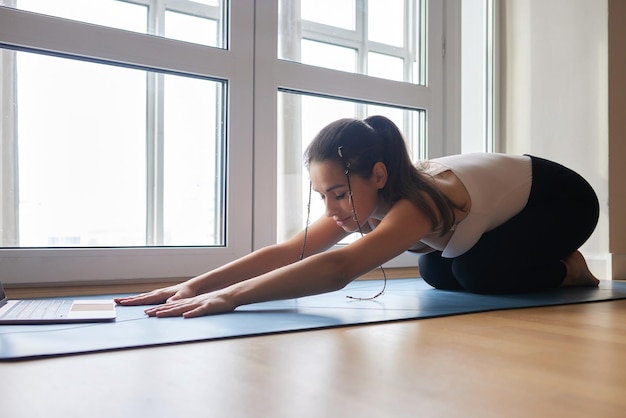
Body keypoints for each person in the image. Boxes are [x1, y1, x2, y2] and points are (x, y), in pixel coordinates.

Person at [115, 115, 600, 318]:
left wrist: (230, 299)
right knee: (437, 269)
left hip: (561, 199)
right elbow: (291, 251)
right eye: (323, 195)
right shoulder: (360, 201)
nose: (332, 209)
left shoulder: (415, 205)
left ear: (380, 176)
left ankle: (569, 268)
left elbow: (339, 269)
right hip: (500, 208)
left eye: (340, 193)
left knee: (476, 271)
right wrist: (194, 285)